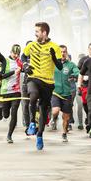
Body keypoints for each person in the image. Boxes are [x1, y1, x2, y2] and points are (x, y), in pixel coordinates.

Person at [22, 22, 63, 151]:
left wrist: (53, 57)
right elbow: (23, 56)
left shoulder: (55, 47)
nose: (35, 34)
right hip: (33, 77)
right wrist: (25, 66)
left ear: (44, 33)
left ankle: (40, 136)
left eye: (37, 32)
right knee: (33, 95)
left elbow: (60, 67)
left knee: (43, 109)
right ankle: (32, 123)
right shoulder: (31, 45)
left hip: (48, 83)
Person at [50, 45, 80, 143]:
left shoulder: (71, 65)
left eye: (64, 52)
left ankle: (64, 133)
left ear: (66, 53)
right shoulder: (53, 63)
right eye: (61, 52)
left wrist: (73, 75)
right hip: (56, 92)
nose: (62, 53)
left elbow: (77, 72)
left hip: (67, 94)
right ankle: (54, 118)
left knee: (66, 118)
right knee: (55, 111)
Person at [0, 44, 23, 143]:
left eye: (18, 54)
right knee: (6, 114)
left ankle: (9, 135)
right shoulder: (4, 61)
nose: (16, 55)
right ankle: (1, 113)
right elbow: (0, 76)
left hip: (16, 92)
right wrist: (13, 72)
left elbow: (27, 70)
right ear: (11, 52)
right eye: (14, 53)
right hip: (5, 91)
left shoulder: (20, 62)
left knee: (14, 113)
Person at [77, 43, 91, 132]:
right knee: (85, 105)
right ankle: (88, 117)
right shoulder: (83, 60)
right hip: (85, 86)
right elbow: (77, 70)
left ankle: (90, 123)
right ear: (88, 49)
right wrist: (82, 78)